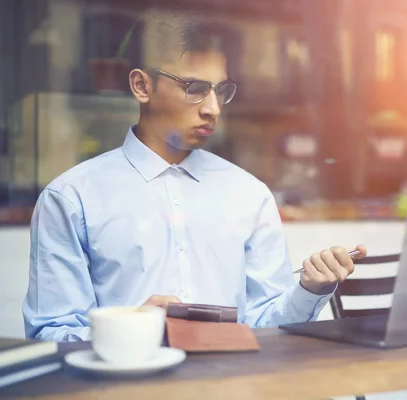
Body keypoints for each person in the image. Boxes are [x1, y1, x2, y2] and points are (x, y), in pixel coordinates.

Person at [22, 12, 367, 342]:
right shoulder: (71, 198)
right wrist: (130, 328)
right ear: (142, 86)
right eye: (194, 87)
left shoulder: (249, 194)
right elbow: (51, 333)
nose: (213, 108)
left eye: (220, 91)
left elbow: (266, 327)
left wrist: (311, 288)